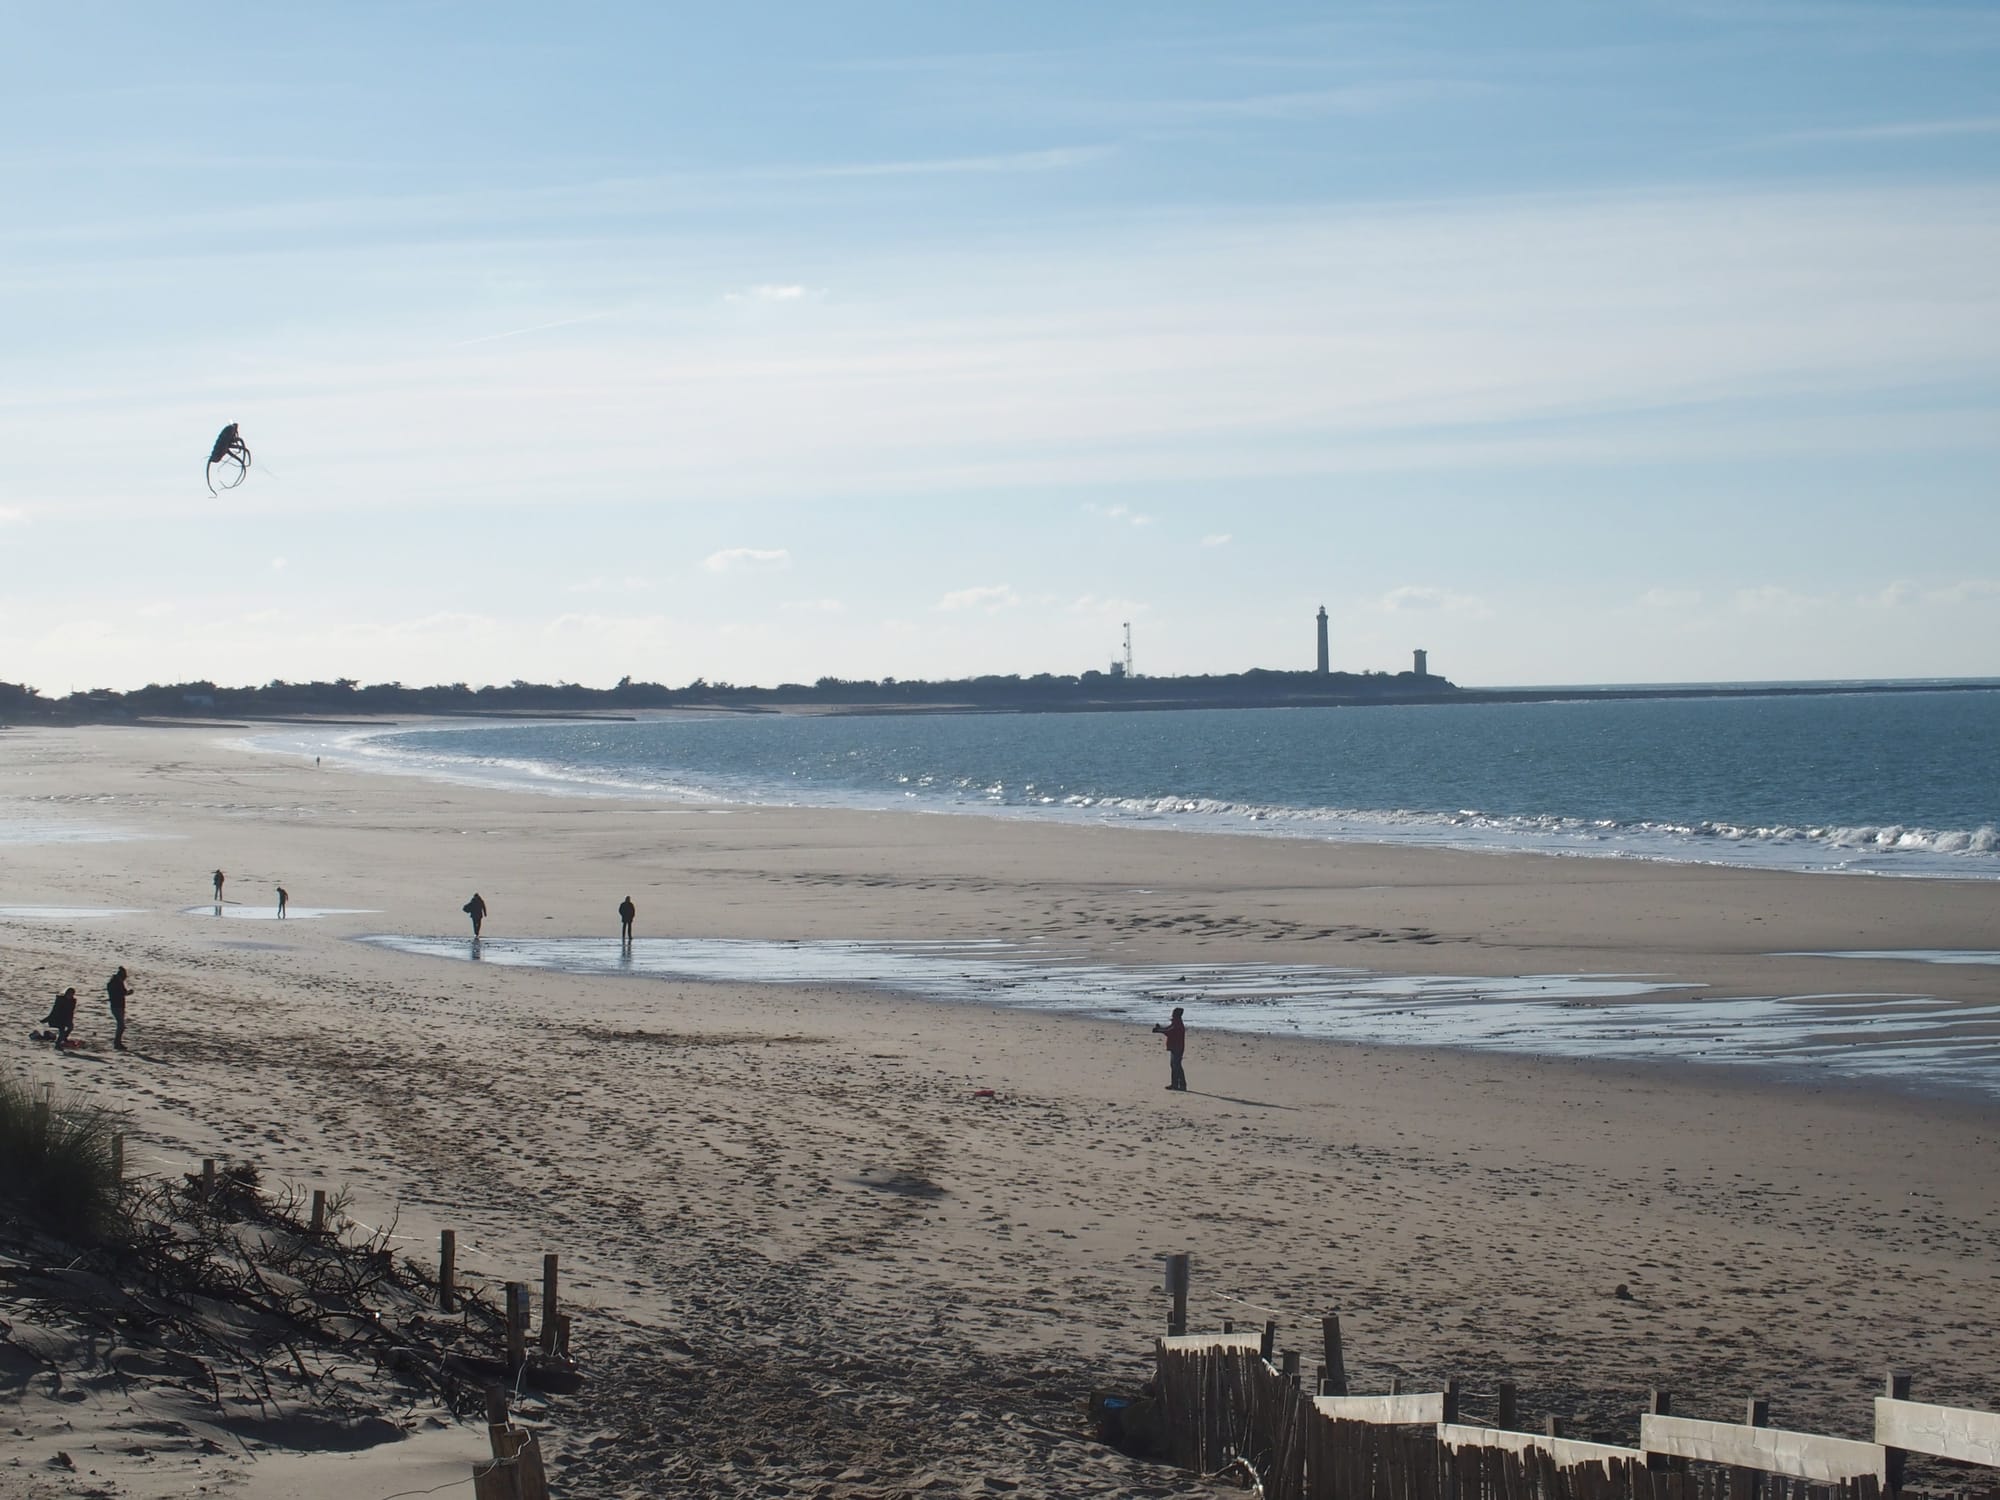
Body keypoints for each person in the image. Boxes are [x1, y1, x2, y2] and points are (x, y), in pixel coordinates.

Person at [1152, 1006, 1187, 1091]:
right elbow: (1168, 1029)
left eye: (1174, 1013)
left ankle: (1181, 1085)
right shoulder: (1176, 1022)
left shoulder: (1178, 1024)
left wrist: (1159, 1030)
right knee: (1174, 1066)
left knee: (1177, 1066)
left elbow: (1169, 1032)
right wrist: (1160, 1029)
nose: (1172, 1014)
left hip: (1177, 1047)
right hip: (1175, 1047)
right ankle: (1175, 1084)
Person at [107, 966, 131, 1050]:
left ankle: (117, 1042)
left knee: (121, 1025)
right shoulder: (116, 982)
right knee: (121, 1025)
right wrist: (127, 993)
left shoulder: (115, 982)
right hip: (117, 1006)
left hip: (118, 1005)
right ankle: (117, 1043)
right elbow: (121, 993)